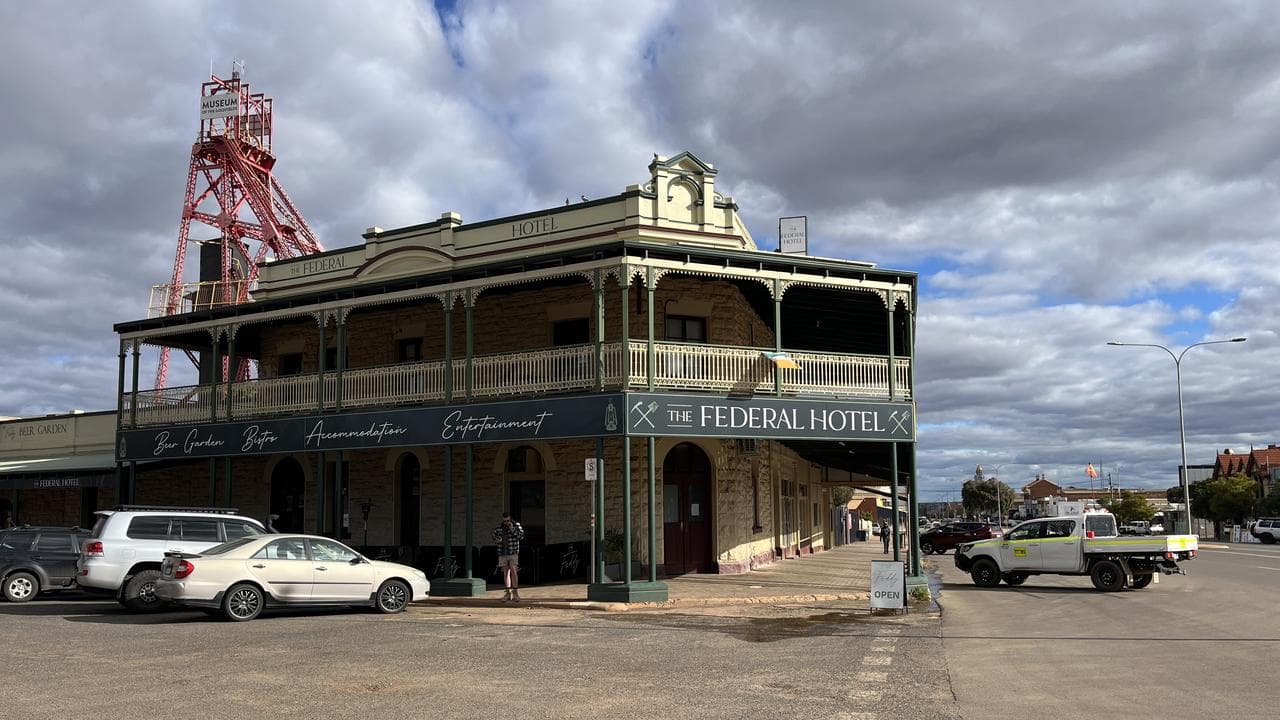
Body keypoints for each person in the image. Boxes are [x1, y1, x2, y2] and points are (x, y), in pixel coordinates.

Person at [493, 512, 525, 602]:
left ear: (510, 519)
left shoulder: (516, 525)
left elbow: (521, 536)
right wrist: (497, 540)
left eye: (507, 520)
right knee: (506, 572)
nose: (506, 522)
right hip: (502, 552)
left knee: (514, 571)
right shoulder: (499, 528)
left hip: (513, 552)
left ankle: (515, 593)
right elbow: (494, 536)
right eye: (504, 521)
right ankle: (508, 593)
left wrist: (512, 528)